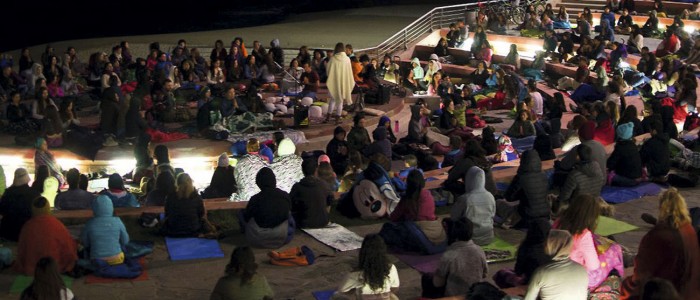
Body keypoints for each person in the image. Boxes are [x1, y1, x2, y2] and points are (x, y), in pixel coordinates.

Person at [621, 188, 700, 299]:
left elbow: (641, 273)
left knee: (622, 285)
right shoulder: (689, 230)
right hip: (692, 292)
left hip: (666, 293)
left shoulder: (656, 236)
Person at [422, 218, 487, 298]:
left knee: (426, 278)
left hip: (454, 296)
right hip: (475, 294)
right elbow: (484, 274)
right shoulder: (479, 250)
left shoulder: (449, 256)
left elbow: (437, 283)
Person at [15, 197, 77, 276]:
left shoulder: (27, 226)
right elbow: (68, 247)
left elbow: (21, 250)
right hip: (55, 266)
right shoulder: (57, 224)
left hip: (31, 267)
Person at [523, 229, 589, 300]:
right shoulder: (582, 270)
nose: (543, 245)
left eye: (545, 243)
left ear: (550, 246)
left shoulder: (542, 272)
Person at [241, 168, 293, 248]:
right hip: (282, 237)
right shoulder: (285, 196)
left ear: (258, 183)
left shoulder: (255, 199)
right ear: (274, 180)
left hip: (257, 239)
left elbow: (247, 217)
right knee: (289, 216)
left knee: (241, 213)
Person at [335, 234, 399, 299]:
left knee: (336, 296)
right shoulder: (391, 268)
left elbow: (342, 291)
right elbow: (395, 287)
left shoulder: (354, 274)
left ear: (363, 252)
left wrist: (356, 292)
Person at [502, 150, 550, 228]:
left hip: (527, 216)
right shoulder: (543, 175)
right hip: (545, 214)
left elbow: (509, 197)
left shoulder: (521, 177)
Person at [450, 166, 495, 246]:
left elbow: (454, 217)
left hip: (469, 239)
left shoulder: (465, 198)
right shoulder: (490, 196)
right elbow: (492, 215)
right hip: (488, 237)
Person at [162, 173, 216, 238]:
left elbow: (167, 213)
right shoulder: (196, 197)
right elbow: (201, 214)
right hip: (193, 230)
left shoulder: (171, 197)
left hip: (173, 230)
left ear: (177, 183)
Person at [80, 195, 129, 264]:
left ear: (94, 208)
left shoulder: (90, 223)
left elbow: (85, 243)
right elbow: (125, 241)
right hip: (117, 259)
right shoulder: (118, 221)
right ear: (111, 207)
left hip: (96, 261)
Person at [556, 144, 605, 213]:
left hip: (577, 207)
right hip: (593, 204)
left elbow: (564, 196)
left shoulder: (575, 174)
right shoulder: (597, 168)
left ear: (578, 157)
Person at [290, 158, 333, 229]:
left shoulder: (297, 187)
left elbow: (290, 204)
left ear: (302, 171)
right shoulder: (323, 185)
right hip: (323, 221)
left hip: (304, 223)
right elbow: (330, 200)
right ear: (316, 170)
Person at [0, 168, 40, 241]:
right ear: (27, 178)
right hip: (28, 232)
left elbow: (2, 210)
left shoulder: (8, 193)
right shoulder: (34, 194)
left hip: (8, 232)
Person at [326, 43, 355, 123]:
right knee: (340, 101)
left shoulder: (333, 59)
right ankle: (337, 119)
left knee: (332, 100)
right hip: (343, 83)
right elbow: (349, 72)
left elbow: (328, 70)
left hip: (334, 82)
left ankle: (328, 118)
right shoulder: (347, 59)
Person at [607, 122, 642, 187]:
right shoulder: (633, 145)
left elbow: (610, 164)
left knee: (609, 175)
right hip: (638, 178)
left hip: (630, 180)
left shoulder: (620, 147)